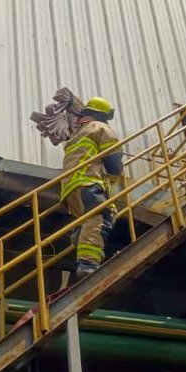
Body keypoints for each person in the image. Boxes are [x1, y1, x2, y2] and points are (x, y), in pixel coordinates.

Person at [60, 96, 124, 277]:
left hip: (69, 188)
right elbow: (114, 162)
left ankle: (80, 234)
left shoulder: (76, 135)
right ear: (102, 116)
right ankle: (88, 263)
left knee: (88, 218)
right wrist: (113, 181)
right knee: (102, 216)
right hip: (88, 183)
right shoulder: (101, 128)